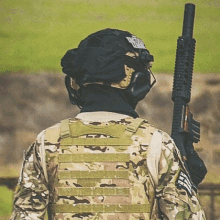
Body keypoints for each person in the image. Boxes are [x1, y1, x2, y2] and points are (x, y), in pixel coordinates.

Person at [11, 28, 206, 220]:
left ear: (75, 83)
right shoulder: (157, 144)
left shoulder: (46, 142)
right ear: (136, 81)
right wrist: (188, 187)